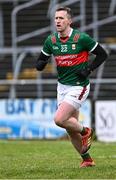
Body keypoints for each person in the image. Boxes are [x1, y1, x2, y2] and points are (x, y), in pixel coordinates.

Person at [36, 7, 108, 168]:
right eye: (56, 18)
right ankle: (87, 159)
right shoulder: (51, 40)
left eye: (61, 18)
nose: (58, 21)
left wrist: (89, 69)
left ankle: (86, 131)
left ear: (69, 21)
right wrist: (40, 64)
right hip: (62, 87)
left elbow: (103, 54)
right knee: (70, 127)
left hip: (78, 86)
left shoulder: (81, 38)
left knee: (59, 119)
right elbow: (41, 59)